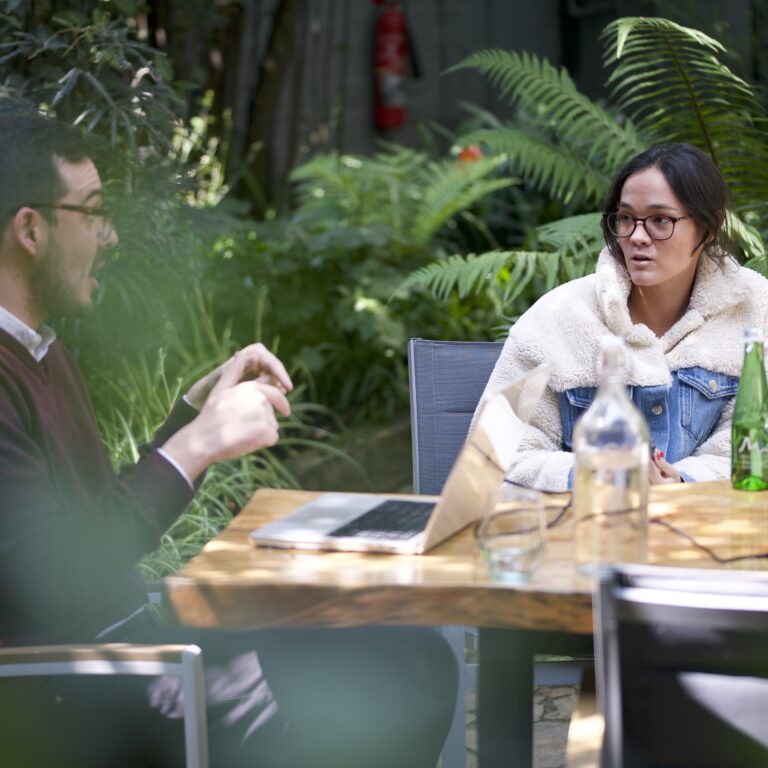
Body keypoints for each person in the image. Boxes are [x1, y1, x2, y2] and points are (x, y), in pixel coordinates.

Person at [0, 112, 457, 767]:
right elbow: (58, 576)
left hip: (132, 649)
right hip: (72, 695)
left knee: (408, 654)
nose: (110, 235)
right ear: (30, 230)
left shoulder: (39, 350)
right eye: (93, 212)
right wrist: (199, 445)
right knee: (394, 682)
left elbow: (95, 516)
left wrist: (194, 412)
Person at [475, 142, 768, 491]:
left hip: (711, 533)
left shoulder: (755, 310)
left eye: (660, 220)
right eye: (626, 218)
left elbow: (752, 447)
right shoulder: (558, 318)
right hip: (587, 532)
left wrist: (683, 479)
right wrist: (593, 471)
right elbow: (494, 453)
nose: (638, 237)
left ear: (707, 228)